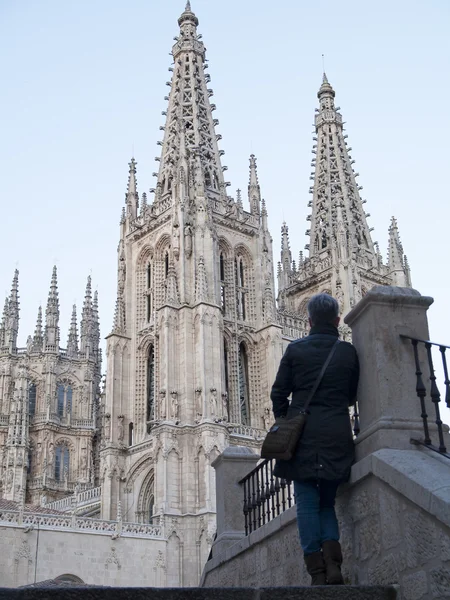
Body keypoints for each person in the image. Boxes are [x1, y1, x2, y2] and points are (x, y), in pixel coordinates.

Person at [270, 293, 359, 586]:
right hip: (336, 433)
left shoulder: (295, 350)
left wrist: (286, 419)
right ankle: (334, 565)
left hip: (303, 436)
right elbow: (352, 395)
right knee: (326, 503)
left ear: (308, 321)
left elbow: (278, 392)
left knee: (307, 503)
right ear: (337, 320)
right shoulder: (347, 352)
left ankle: (317, 571)